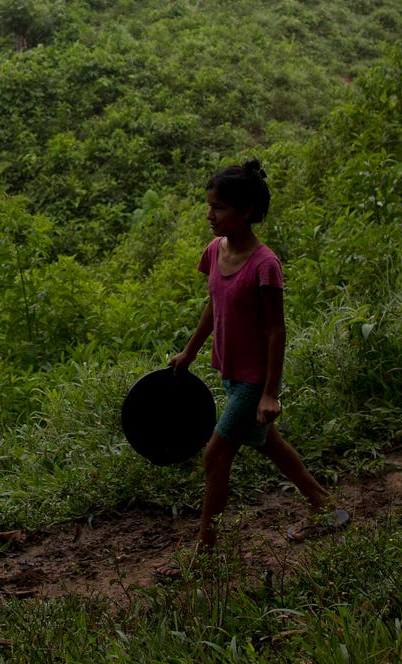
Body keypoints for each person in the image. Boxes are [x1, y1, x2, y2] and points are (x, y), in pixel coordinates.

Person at [162, 159, 348, 574]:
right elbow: (214, 304)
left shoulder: (265, 264)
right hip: (230, 372)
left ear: (245, 211)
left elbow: (276, 331)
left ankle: (205, 554)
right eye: (209, 205)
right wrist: (190, 352)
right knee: (269, 444)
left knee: (215, 456)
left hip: (253, 381)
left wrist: (269, 393)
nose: (210, 215)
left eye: (219, 207)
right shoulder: (215, 251)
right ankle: (324, 505)